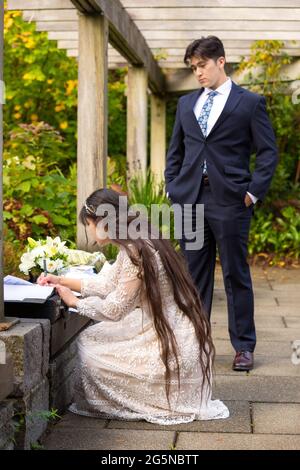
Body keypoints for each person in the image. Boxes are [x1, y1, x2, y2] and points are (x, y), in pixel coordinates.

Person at [38, 188, 229, 425]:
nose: (88, 230)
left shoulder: (134, 251)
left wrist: (74, 301)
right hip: (172, 328)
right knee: (94, 336)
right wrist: (62, 281)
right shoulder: (136, 241)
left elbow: (114, 310)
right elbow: (108, 283)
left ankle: (146, 397)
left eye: (87, 224)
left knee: (90, 349)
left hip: (171, 339)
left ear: (101, 221)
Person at [165, 36, 278, 371]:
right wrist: (174, 188)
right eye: (193, 68)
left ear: (220, 61)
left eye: (202, 65)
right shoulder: (187, 105)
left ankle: (243, 346)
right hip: (189, 200)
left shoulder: (249, 103)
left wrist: (252, 192)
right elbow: (176, 152)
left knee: (235, 274)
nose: (197, 73)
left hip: (230, 200)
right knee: (192, 275)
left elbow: (268, 152)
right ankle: (195, 343)